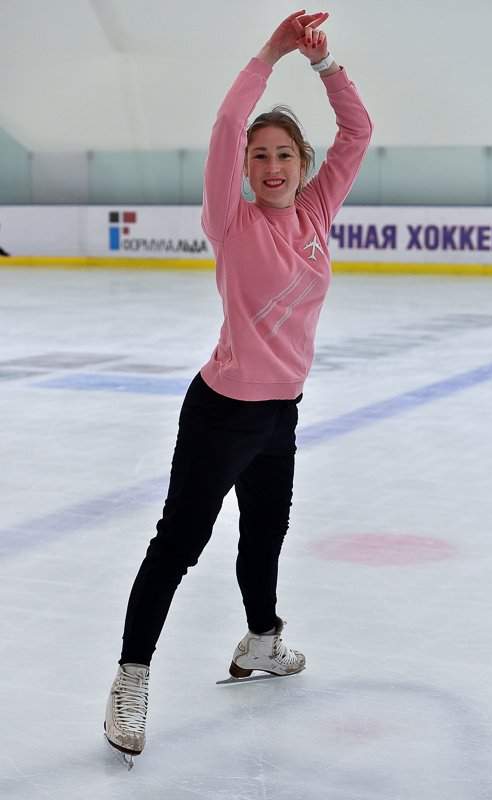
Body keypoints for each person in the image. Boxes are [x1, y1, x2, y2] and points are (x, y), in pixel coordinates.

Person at [104, 9, 373, 764]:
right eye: (260, 157)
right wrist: (270, 53)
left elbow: (358, 133)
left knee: (264, 536)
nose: (272, 166)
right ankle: (130, 677)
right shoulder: (231, 221)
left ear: (302, 162)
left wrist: (324, 65)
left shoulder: (316, 211)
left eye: (284, 154)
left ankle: (261, 640)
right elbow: (227, 124)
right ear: (245, 168)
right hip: (222, 412)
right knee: (179, 544)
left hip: (281, 413)